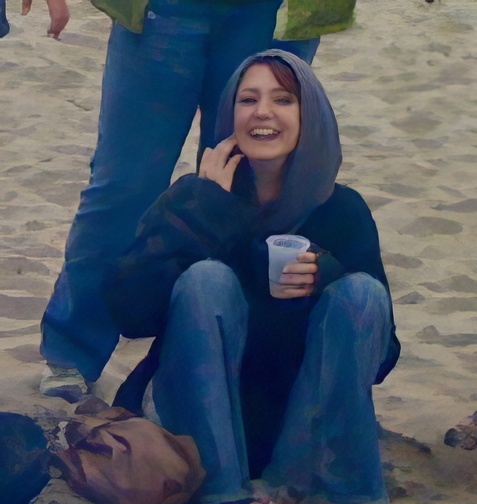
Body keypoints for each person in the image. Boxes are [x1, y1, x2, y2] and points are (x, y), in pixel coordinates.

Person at [105, 49, 400, 504]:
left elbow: (382, 355)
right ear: (230, 114)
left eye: (283, 99)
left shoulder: (341, 209)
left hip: (299, 425)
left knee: (363, 291)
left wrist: (330, 278)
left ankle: (322, 488)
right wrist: (204, 211)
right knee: (207, 280)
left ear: (310, 118)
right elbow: (130, 313)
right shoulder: (196, 194)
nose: (262, 112)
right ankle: (220, 491)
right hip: (201, 417)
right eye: (248, 99)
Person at [39, 0, 358, 398]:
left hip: (269, 13)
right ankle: (73, 350)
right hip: (164, 8)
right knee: (124, 186)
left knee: (250, 179)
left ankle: (217, 358)